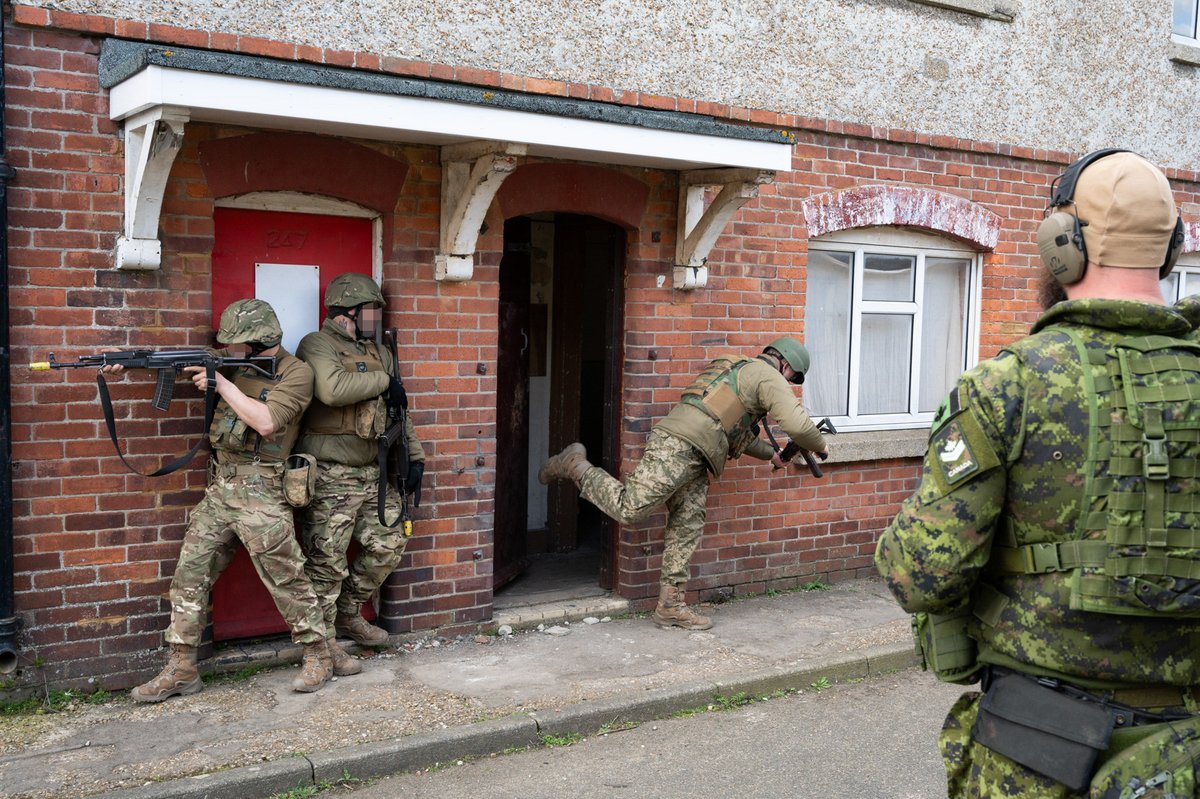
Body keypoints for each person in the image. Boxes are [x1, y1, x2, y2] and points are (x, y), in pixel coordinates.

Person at [875, 150, 1200, 798]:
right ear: (1168, 252)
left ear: (1064, 247)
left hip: (1037, 753)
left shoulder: (1006, 387)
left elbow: (921, 570)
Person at [539, 338, 828, 630]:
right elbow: (797, 424)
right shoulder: (768, 375)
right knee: (631, 509)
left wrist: (772, 455)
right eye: (793, 377)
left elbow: (733, 429)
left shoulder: (739, 369)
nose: (790, 382)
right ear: (787, 365)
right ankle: (575, 464)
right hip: (678, 447)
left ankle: (670, 606)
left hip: (698, 454)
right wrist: (822, 446)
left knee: (686, 527)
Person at [127, 299, 332, 702]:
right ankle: (182, 667)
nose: (230, 351)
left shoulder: (297, 374)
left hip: (264, 490)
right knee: (190, 574)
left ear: (259, 344)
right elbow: (176, 358)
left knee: (286, 578)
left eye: (238, 345)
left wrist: (222, 384)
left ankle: (319, 653)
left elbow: (268, 421)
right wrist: (125, 362)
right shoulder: (233, 359)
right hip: (222, 487)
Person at [296, 273, 425, 649]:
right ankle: (321, 647)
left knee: (389, 543)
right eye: (371, 310)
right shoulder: (317, 344)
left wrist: (415, 458)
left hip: (374, 473)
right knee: (326, 562)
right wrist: (385, 381)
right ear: (347, 311)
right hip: (331, 475)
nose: (377, 319)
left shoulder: (377, 351)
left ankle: (348, 614)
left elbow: (400, 411)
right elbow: (332, 389)